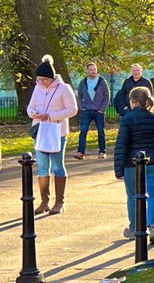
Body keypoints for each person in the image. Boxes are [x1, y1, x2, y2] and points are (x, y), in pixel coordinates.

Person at [113, 85, 154, 245]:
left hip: (133, 163)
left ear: (134, 102)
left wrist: (118, 169)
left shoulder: (128, 119)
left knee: (133, 196)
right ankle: (153, 227)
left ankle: (135, 227)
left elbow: (121, 145)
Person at [27, 54, 79, 215]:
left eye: (44, 79)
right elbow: (30, 107)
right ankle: (45, 201)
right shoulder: (38, 88)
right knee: (43, 167)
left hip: (57, 132)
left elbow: (73, 110)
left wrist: (51, 116)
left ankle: (59, 201)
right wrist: (33, 113)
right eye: (39, 79)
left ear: (51, 78)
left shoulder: (64, 88)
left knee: (57, 165)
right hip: (41, 130)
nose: (42, 82)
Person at [75, 61, 110, 159]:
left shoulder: (102, 82)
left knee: (101, 131)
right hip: (86, 111)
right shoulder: (83, 82)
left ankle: (102, 151)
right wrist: (82, 107)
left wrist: (102, 109)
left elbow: (107, 96)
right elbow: (79, 96)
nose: (93, 71)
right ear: (87, 71)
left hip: (99, 111)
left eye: (94, 69)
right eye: (91, 69)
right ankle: (80, 152)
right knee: (83, 131)